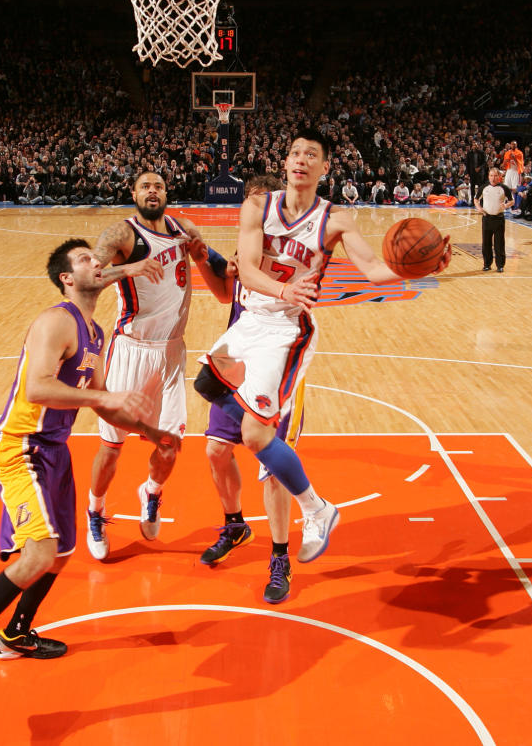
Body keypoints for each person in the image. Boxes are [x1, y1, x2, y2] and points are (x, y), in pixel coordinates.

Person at [0, 239, 181, 714]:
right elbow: (39, 387)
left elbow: (104, 399)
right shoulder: (55, 321)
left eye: (96, 258)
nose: (95, 263)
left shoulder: (95, 333)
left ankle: (15, 634)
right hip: (22, 448)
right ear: (67, 277)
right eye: (85, 259)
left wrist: (152, 431)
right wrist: (106, 401)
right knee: (39, 549)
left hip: (54, 451)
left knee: (61, 553)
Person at [195, 128, 451, 563]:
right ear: (286, 163)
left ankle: (310, 502)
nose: (301, 160)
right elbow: (250, 271)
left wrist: (419, 269)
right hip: (255, 316)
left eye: (311, 155)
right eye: (295, 152)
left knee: (255, 435)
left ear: (324, 167)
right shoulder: (257, 205)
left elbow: (372, 269)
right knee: (206, 383)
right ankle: (311, 498)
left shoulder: (335, 219)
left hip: (287, 331)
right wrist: (283, 289)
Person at [84, 171, 229, 560]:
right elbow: (85, 279)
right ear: (134, 193)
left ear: (167, 193)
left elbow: (218, 283)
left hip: (171, 352)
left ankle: (150, 493)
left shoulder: (185, 229)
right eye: (145, 185)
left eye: (159, 186)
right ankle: (95, 511)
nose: (152, 190)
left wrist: (207, 259)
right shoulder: (121, 235)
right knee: (112, 448)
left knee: (169, 447)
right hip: (130, 349)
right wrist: (125, 269)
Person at [198, 175, 304, 604]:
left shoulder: (296, 256)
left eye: (264, 205)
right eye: (251, 206)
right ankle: (236, 524)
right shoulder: (245, 253)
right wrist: (205, 256)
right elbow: (226, 294)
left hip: (276, 372)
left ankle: (280, 557)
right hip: (238, 366)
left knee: (271, 468)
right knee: (215, 450)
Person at [476, 168, 512, 272]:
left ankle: (500, 265)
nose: (493, 178)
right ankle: (487, 264)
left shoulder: (504, 188)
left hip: (499, 219)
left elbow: (512, 201)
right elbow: (476, 199)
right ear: (488, 176)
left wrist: (506, 205)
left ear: (499, 177)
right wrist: (479, 207)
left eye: (495, 176)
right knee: (486, 243)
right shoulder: (484, 187)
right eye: (491, 175)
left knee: (499, 243)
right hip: (486, 218)